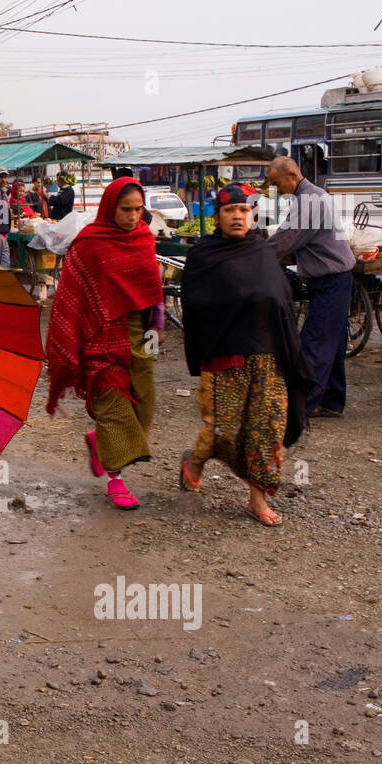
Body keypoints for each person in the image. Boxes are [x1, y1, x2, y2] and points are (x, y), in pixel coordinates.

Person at [177, 184, 315, 527]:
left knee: (266, 428)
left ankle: (257, 499)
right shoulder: (203, 256)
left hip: (269, 356)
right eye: (229, 211)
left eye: (243, 210)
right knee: (224, 430)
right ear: (217, 217)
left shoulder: (262, 251)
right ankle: (194, 462)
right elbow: (195, 306)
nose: (237, 217)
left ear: (252, 214)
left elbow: (281, 300)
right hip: (225, 356)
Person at [45, 177, 162, 510]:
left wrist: (158, 327)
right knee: (115, 406)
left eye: (139, 209)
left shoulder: (143, 239)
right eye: (126, 209)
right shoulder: (90, 244)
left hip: (139, 335)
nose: (133, 216)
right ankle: (116, 479)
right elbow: (71, 298)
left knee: (144, 406)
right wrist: (72, 341)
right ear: (110, 207)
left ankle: (101, 445)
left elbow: (153, 291)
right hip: (99, 336)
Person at [266, 156, 355, 418]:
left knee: (315, 343)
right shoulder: (309, 197)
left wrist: (255, 254)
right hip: (333, 279)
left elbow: (287, 239)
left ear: (292, 175)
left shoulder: (310, 201)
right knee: (334, 342)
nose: (276, 189)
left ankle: (300, 408)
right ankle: (332, 401)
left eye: (276, 182)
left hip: (331, 281)